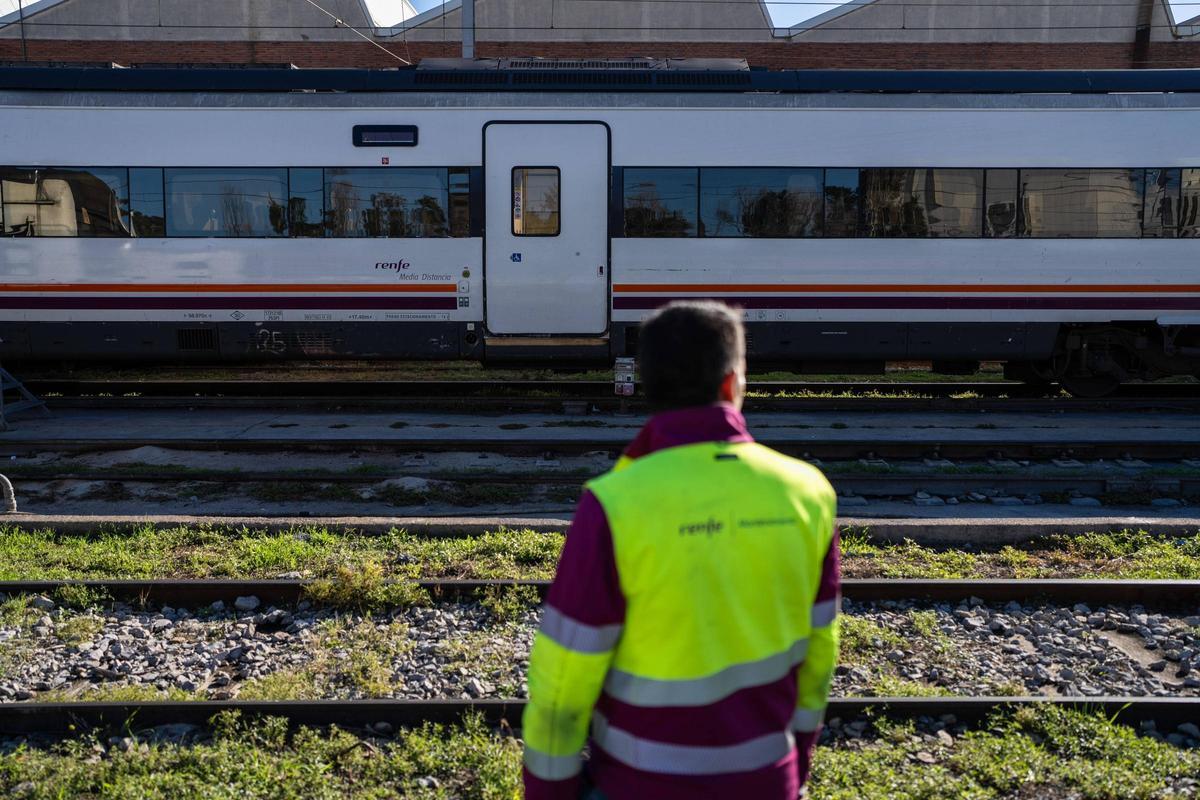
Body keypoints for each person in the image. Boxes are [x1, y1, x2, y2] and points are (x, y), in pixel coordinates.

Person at [522, 300, 841, 800]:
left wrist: (549, 791)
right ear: (733, 384)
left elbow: (564, 680)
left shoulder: (613, 503)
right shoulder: (808, 492)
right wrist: (793, 763)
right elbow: (818, 656)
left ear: (649, 387)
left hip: (638, 783)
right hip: (765, 778)